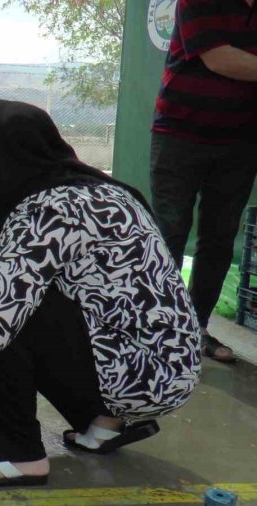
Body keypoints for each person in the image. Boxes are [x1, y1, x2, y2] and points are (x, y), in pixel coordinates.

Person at [0, 100, 201, 488]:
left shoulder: (42, 211)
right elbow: (26, 289)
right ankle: (103, 424)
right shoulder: (100, 191)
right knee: (18, 306)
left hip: (133, 376)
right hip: (168, 368)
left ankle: (9, 455)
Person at [150, 0, 257, 363]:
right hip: (180, 134)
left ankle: (195, 330)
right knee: (170, 232)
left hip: (241, 141)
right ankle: (156, 329)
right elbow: (220, 59)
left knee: (219, 239)